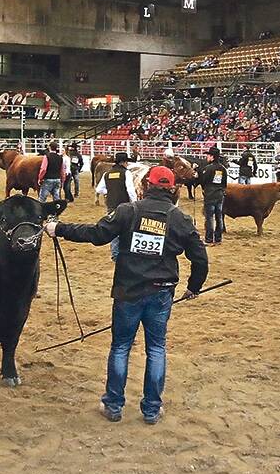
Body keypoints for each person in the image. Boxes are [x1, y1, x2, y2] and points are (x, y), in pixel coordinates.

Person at [44, 166, 208, 425]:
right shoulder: (181, 219)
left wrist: (60, 228)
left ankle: (113, 405)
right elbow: (200, 259)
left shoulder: (128, 211)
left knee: (121, 347)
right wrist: (194, 286)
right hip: (161, 291)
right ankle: (152, 409)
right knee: (156, 348)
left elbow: (97, 234)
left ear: (146, 185)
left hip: (128, 290)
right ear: (173, 189)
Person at [95, 152, 139, 262]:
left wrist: (110, 191)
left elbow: (99, 189)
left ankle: (115, 254)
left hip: (111, 204)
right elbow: (130, 190)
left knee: (114, 228)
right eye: (127, 162)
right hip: (124, 205)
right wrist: (135, 202)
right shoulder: (126, 173)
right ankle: (125, 251)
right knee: (127, 227)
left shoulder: (107, 174)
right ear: (123, 162)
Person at [199, 146, 228, 246]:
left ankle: (209, 239)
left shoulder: (208, 168)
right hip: (219, 194)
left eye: (208, 155)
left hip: (210, 195)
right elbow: (224, 183)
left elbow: (203, 181)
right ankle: (218, 238)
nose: (207, 157)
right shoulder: (223, 169)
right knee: (219, 217)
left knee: (210, 217)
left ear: (212, 157)